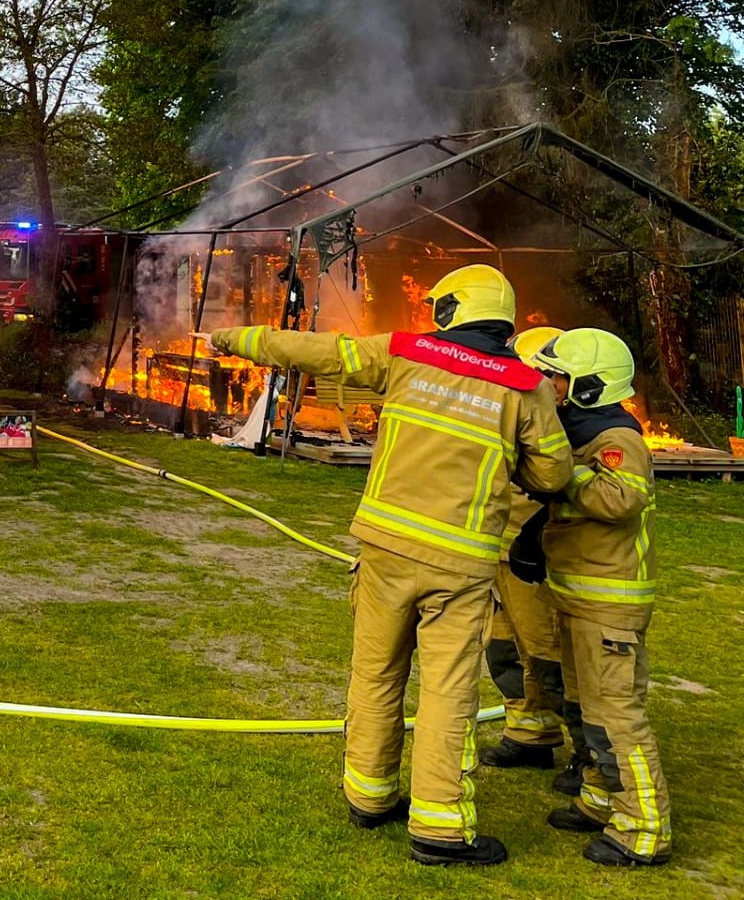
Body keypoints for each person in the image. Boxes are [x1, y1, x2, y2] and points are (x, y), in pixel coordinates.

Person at [211, 263, 573, 867]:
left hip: (383, 550)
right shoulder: (525, 386)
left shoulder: (404, 353)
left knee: (376, 674)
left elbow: (315, 351)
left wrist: (233, 338)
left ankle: (370, 796)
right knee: (447, 693)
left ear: (452, 309)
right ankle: (438, 829)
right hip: (460, 564)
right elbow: (554, 474)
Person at [518, 328, 670, 867]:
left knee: (618, 717)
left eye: (558, 379)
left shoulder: (618, 438)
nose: (550, 387)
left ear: (588, 388)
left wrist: (564, 476)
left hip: (609, 603)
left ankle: (643, 828)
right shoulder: (581, 429)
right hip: (577, 595)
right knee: (586, 711)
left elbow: (620, 499)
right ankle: (600, 796)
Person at [479, 326, 579, 784]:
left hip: (527, 551)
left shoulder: (560, 427)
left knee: (545, 652)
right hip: (494, 548)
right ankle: (529, 733)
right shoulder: (511, 409)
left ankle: (591, 757)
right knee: (502, 647)